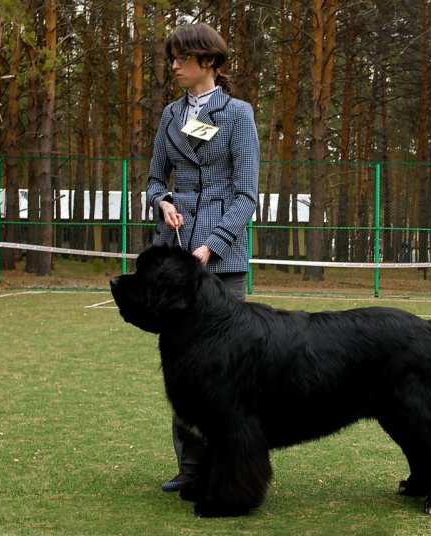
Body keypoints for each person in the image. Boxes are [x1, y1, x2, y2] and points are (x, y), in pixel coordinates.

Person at [145, 22, 259, 493]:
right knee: (184, 368)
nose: (173, 65)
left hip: (222, 260)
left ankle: (228, 467)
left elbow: (246, 193)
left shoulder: (238, 113)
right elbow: (154, 180)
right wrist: (164, 201)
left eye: (181, 58)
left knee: (230, 372)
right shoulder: (171, 114)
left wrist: (211, 244)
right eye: (171, 57)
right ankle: (190, 467)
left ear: (208, 62)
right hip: (174, 261)